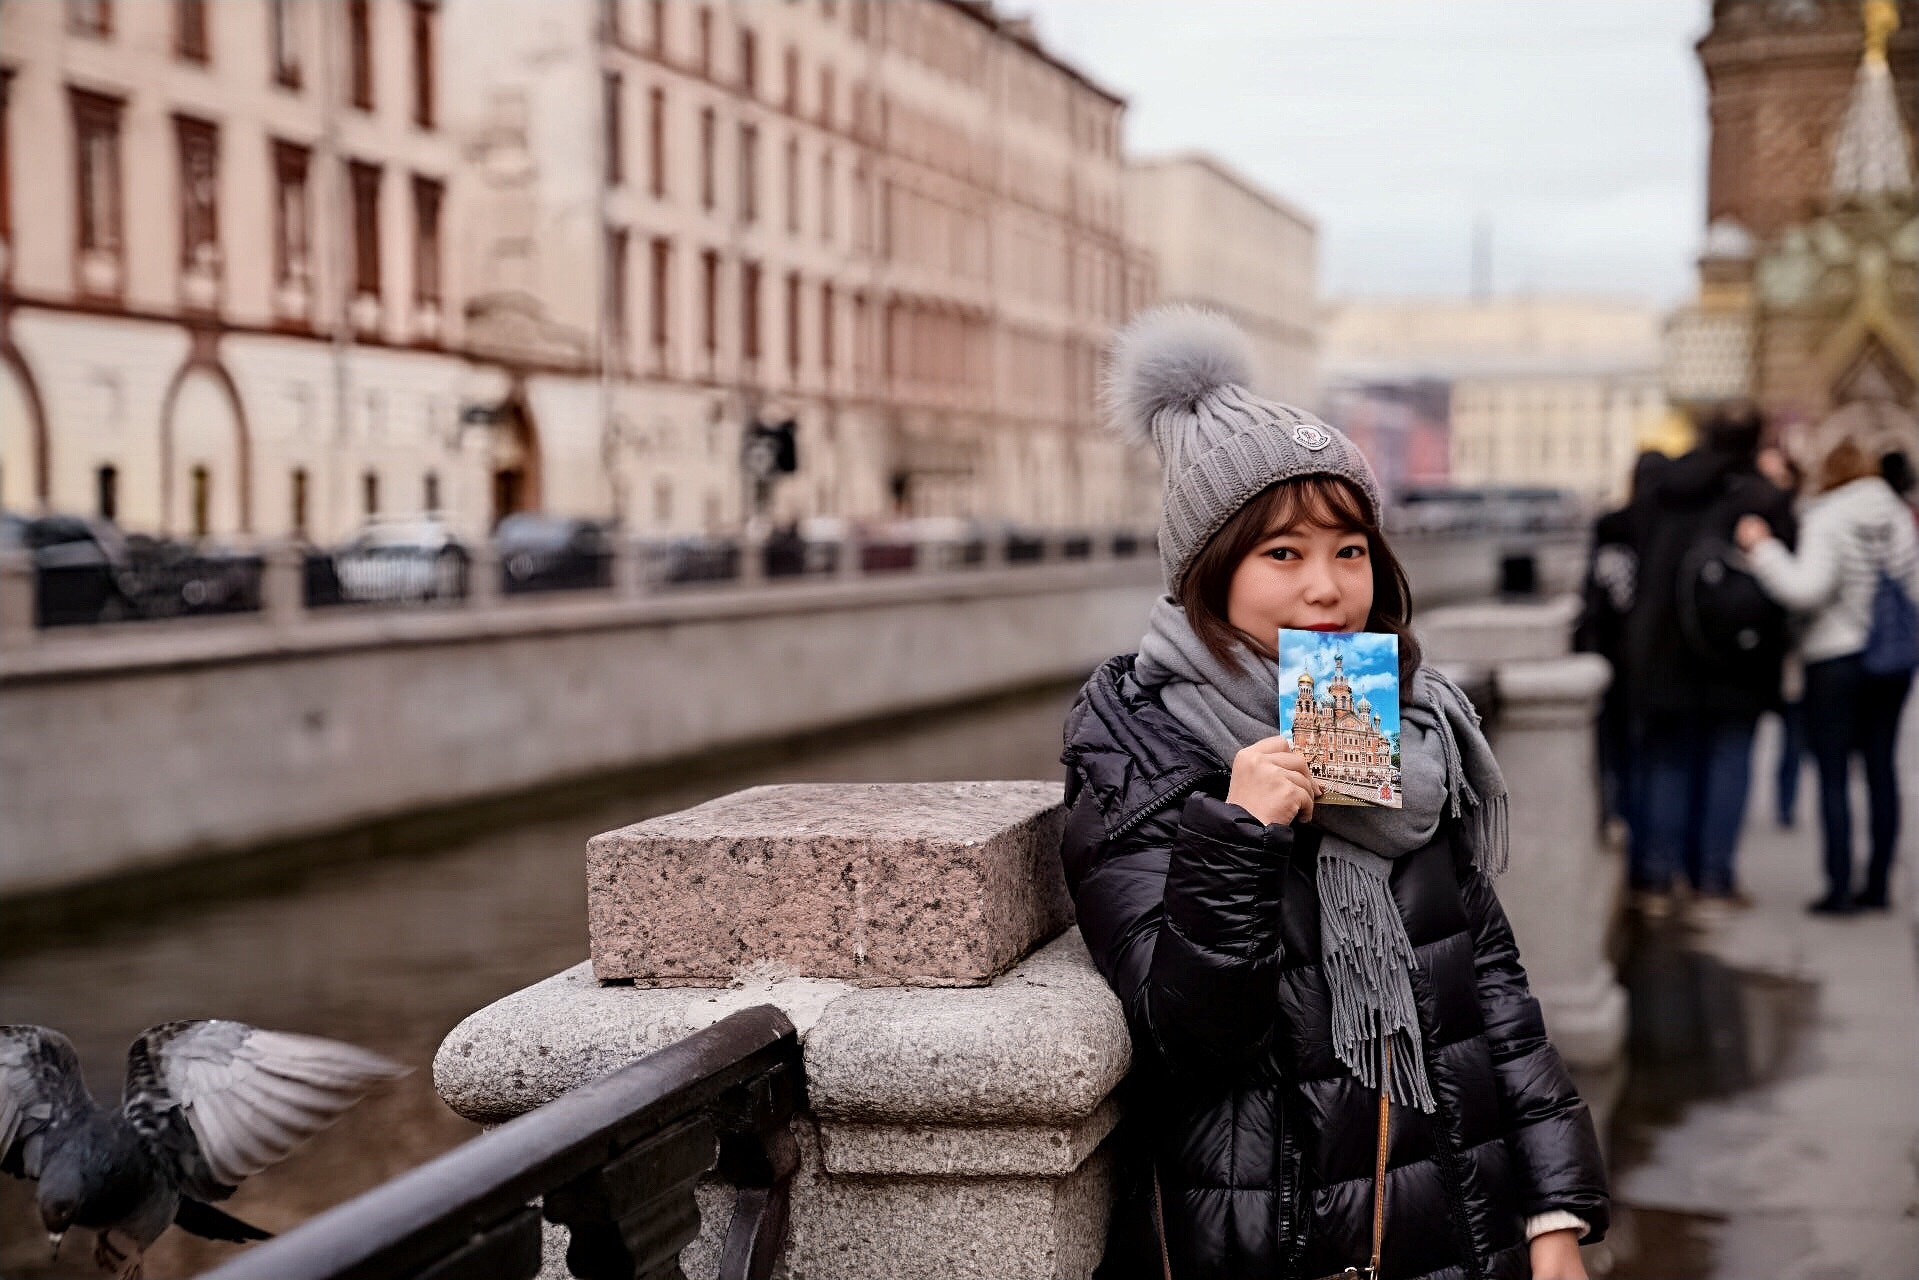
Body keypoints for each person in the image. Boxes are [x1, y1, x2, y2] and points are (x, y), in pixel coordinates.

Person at [1060, 307, 1607, 1280]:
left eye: (1347, 549)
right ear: (1205, 574)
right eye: (1282, 554)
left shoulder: (1397, 720)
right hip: (1280, 1239)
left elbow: (1486, 982)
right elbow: (1184, 1040)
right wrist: (1236, 835)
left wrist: (1553, 1206)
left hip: (1454, 1223)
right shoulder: (1137, 744)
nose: (1326, 586)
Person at [1622, 407, 1796, 917]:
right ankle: (1713, 881)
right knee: (1727, 760)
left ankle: (1656, 878)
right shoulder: (1762, 499)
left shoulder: (1662, 491)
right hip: (1736, 658)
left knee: (1668, 761)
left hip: (1662, 653)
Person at [1735, 438, 1919, 913]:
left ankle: (1839, 888)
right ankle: (1878, 886)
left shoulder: (1827, 516)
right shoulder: (1898, 516)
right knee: (1881, 768)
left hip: (1835, 659)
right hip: (1893, 660)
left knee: (1834, 776)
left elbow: (1806, 589)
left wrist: (1765, 552)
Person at [1575, 452, 1666, 844]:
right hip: (1657, 659)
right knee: (1654, 757)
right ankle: (1650, 846)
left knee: (1615, 750)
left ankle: (1618, 819)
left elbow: (1594, 595)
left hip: (1610, 654)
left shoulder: (1610, 525)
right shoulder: (1667, 529)